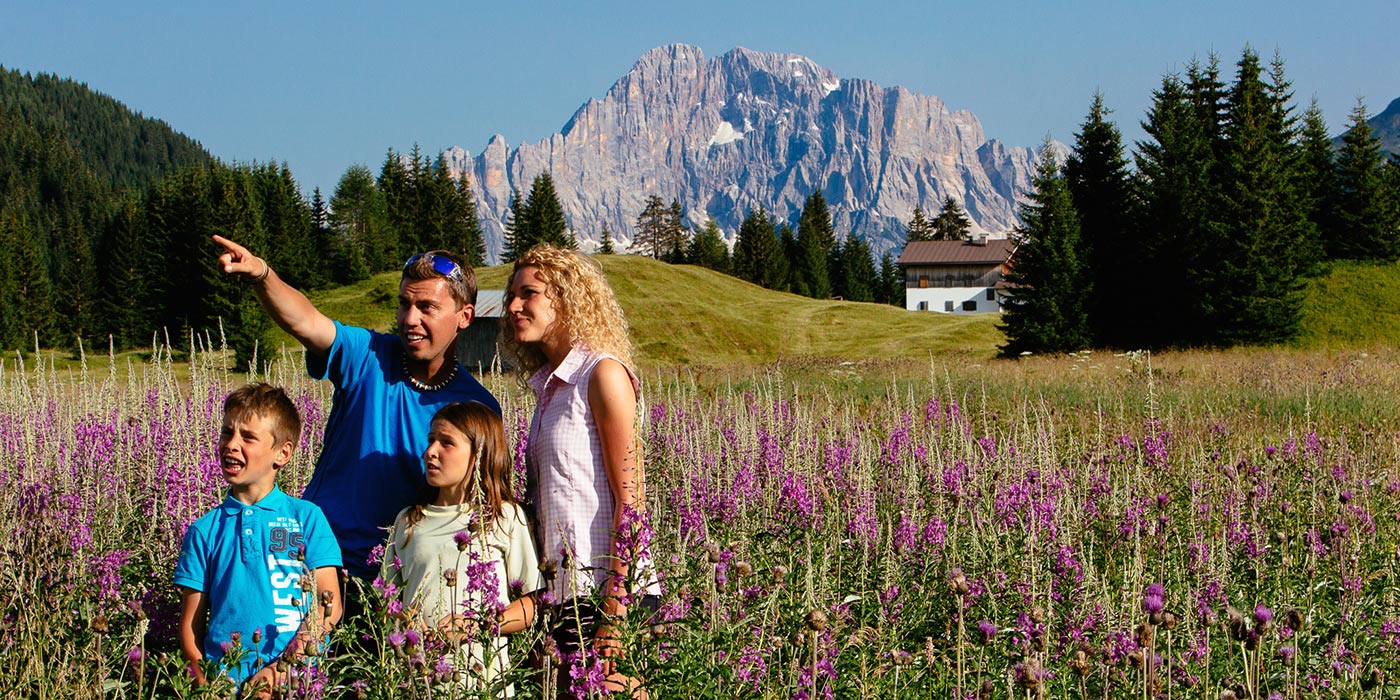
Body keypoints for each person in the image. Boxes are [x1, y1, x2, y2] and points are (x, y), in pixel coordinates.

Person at [212, 236, 501, 588]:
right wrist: (262, 274)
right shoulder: (368, 355)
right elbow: (305, 322)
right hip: (313, 561)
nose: (409, 319)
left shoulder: (477, 406)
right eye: (404, 304)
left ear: (464, 317)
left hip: (401, 580)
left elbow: (480, 504)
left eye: (426, 307)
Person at [501, 244, 661, 697]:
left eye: (528, 294)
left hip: (606, 593)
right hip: (563, 596)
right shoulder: (550, 389)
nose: (513, 306)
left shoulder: (603, 374)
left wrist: (616, 606)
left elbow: (632, 502)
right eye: (512, 295)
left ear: (566, 298)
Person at [175, 383, 343, 697]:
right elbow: (190, 626)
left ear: (283, 453)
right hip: (227, 684)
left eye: (248, 437)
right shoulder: (204, 530)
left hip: (297, 683)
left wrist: (280, 670)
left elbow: (328, 608)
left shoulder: (306, 518)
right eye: (227, 432)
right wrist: (208, 683)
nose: (231, 444)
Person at [380, 401, 543, 695]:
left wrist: (478, 624)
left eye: (447, 443)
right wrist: (405, 620)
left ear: (479, 453)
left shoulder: (504, 516)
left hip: (484, 684)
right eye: (431, 440)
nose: (431, 451)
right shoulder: (408, 520)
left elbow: (532, 605)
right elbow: (386, 600)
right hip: (418, 682)